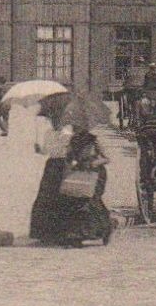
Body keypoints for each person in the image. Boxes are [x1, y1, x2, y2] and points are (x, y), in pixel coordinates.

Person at [28, 95, 76, 242]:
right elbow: (67, 150)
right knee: (58, 197)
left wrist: (39, 149)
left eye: (55, 119)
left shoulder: (55, 133)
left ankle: (50, 232)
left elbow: (46, 151)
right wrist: (39, 149)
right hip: (62, 166)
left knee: (50, 197)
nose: (54, 121)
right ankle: (58, 232)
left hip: (53, 166)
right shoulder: (66, 132)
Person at [55, 130, 114, 245]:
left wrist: (94, 163)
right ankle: (78, 235)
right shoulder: (73, 140)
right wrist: (71, 162)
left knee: (92, 200)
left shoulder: (95, 140)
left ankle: (106, 227)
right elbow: (68, 157)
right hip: (80, 173)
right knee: (76, 200)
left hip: (96, 174)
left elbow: (107, 158)